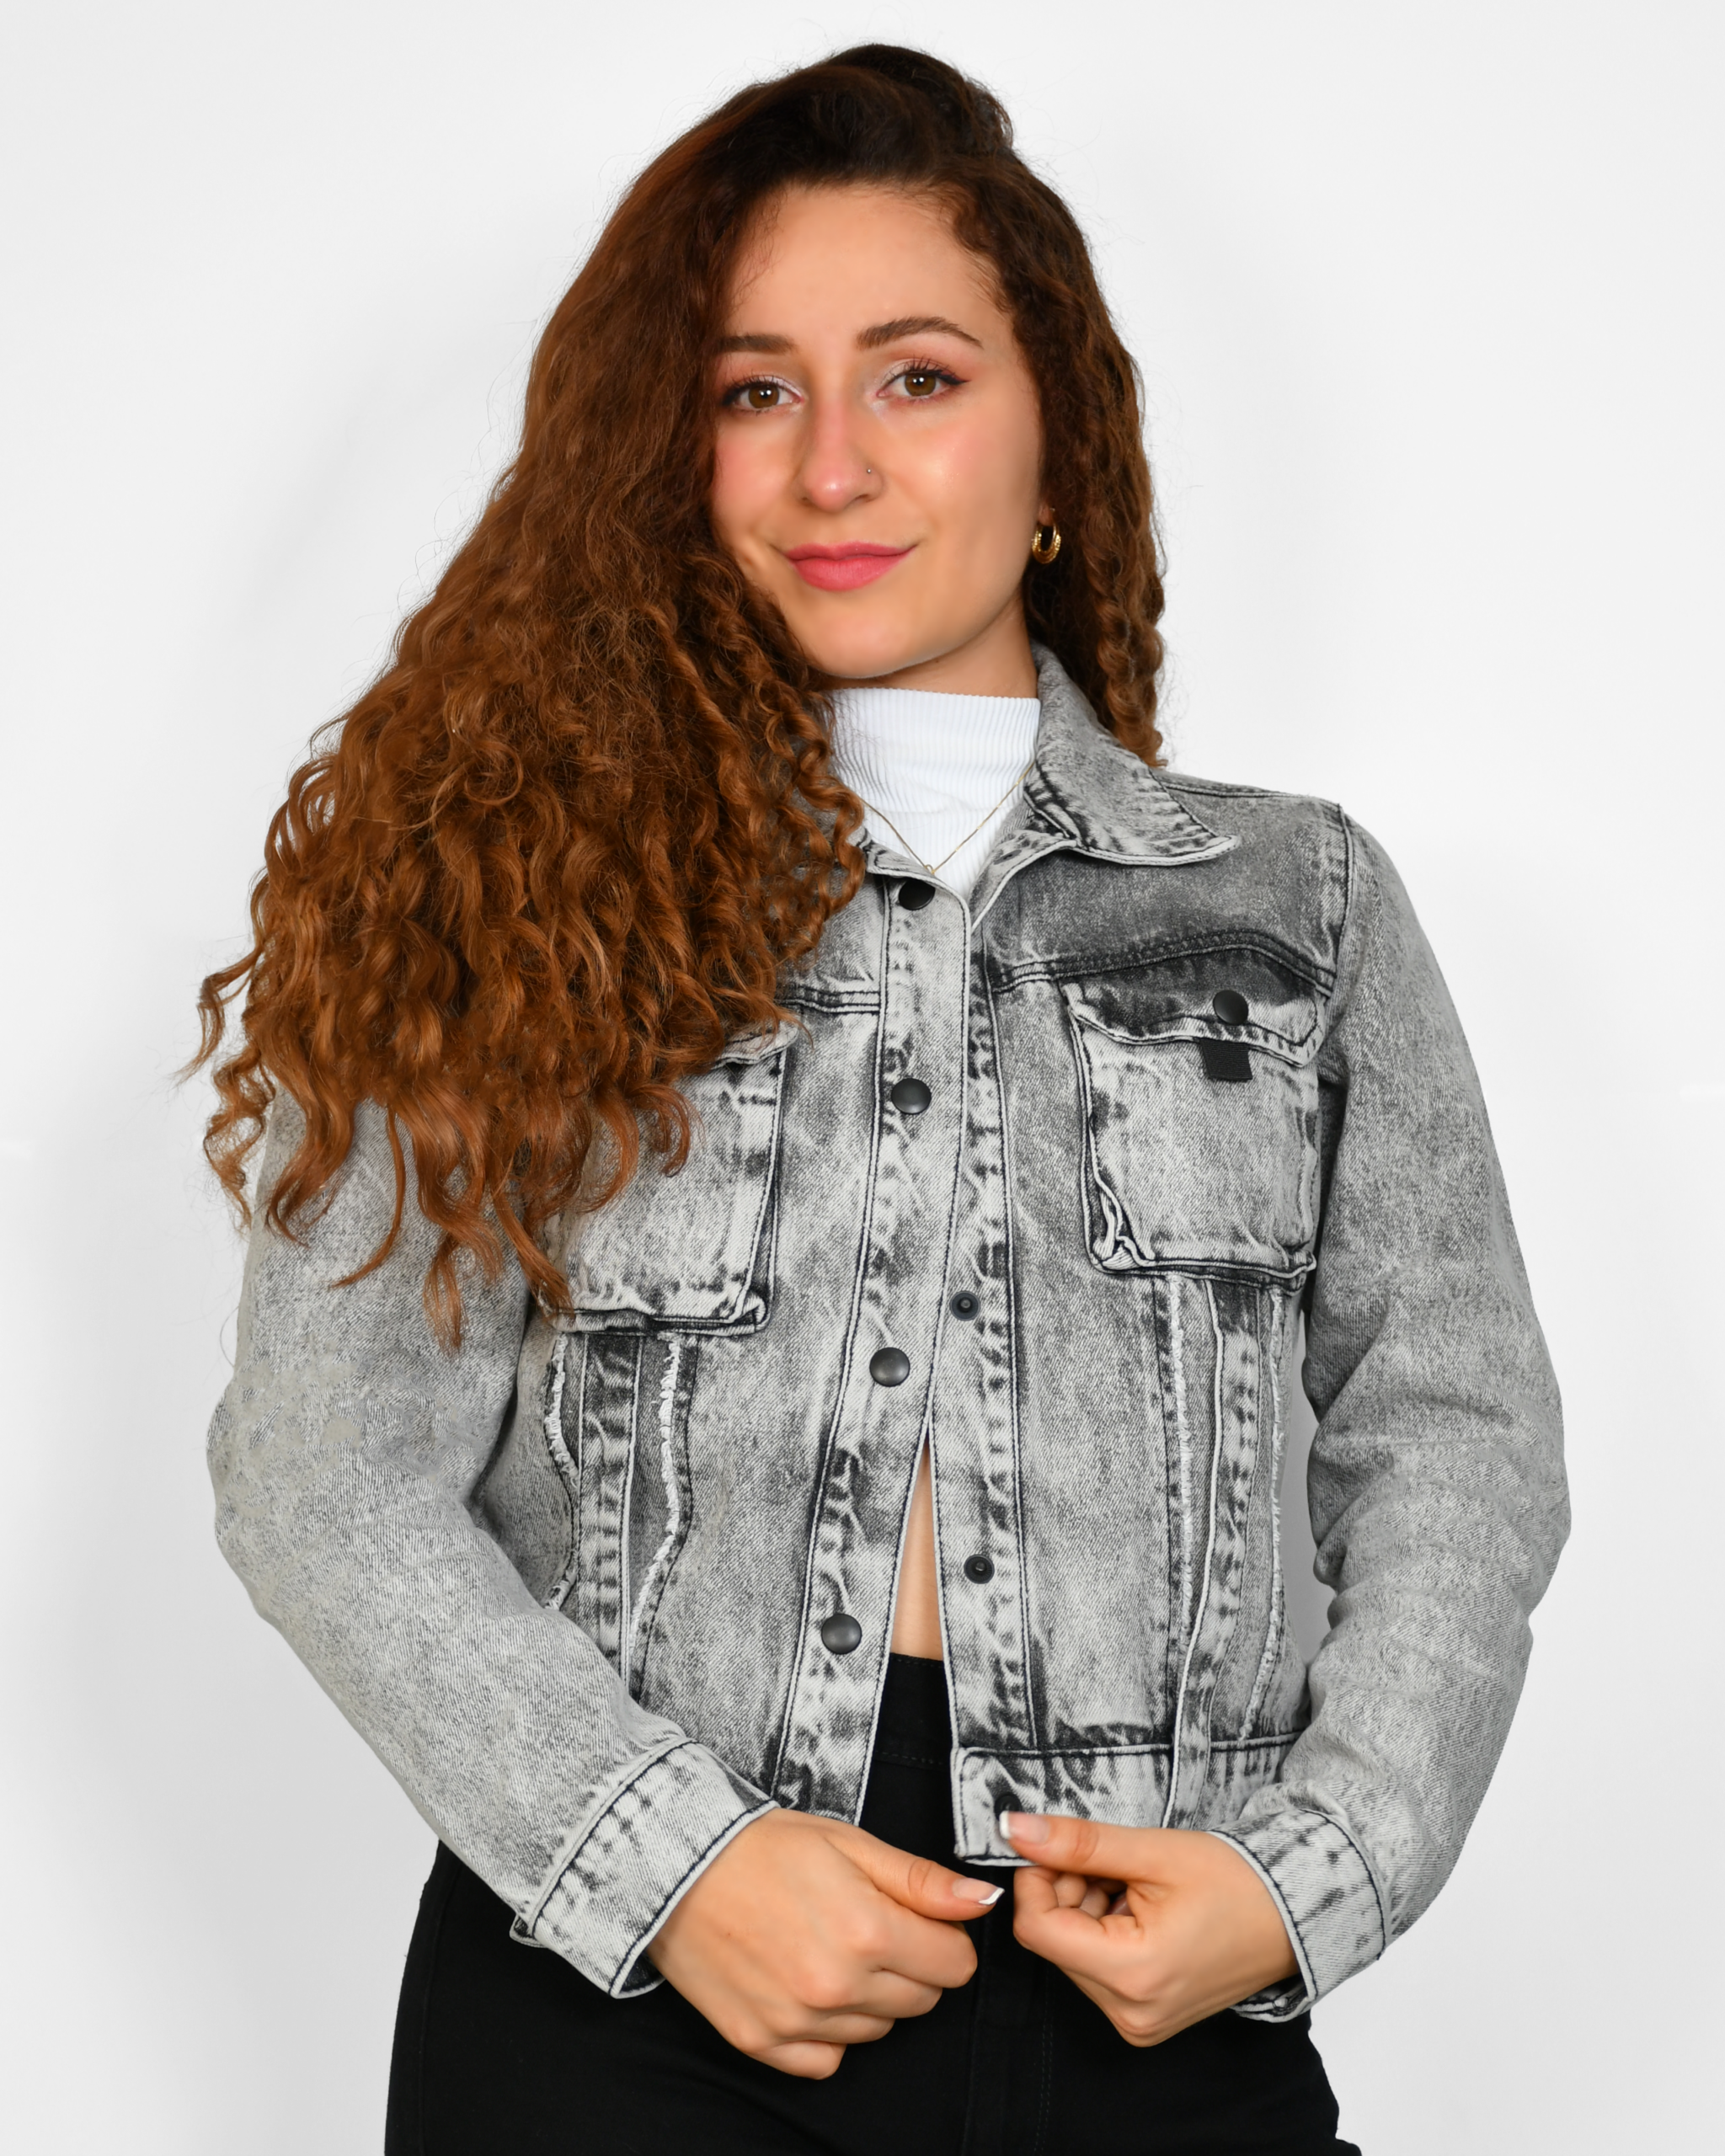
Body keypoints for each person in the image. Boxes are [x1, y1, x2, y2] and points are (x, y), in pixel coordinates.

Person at [198, 45, 1567, 2156]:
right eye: (754, 390)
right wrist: (673, 1861)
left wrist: (1315, 1869)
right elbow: (323, 1472)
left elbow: (1457, 1425)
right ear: (673, 453)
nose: (832, 461)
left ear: (1054, 438)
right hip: (627, 2006)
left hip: (1151, 1988)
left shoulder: (1296, 901)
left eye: (915, 376)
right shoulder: (499, 882)